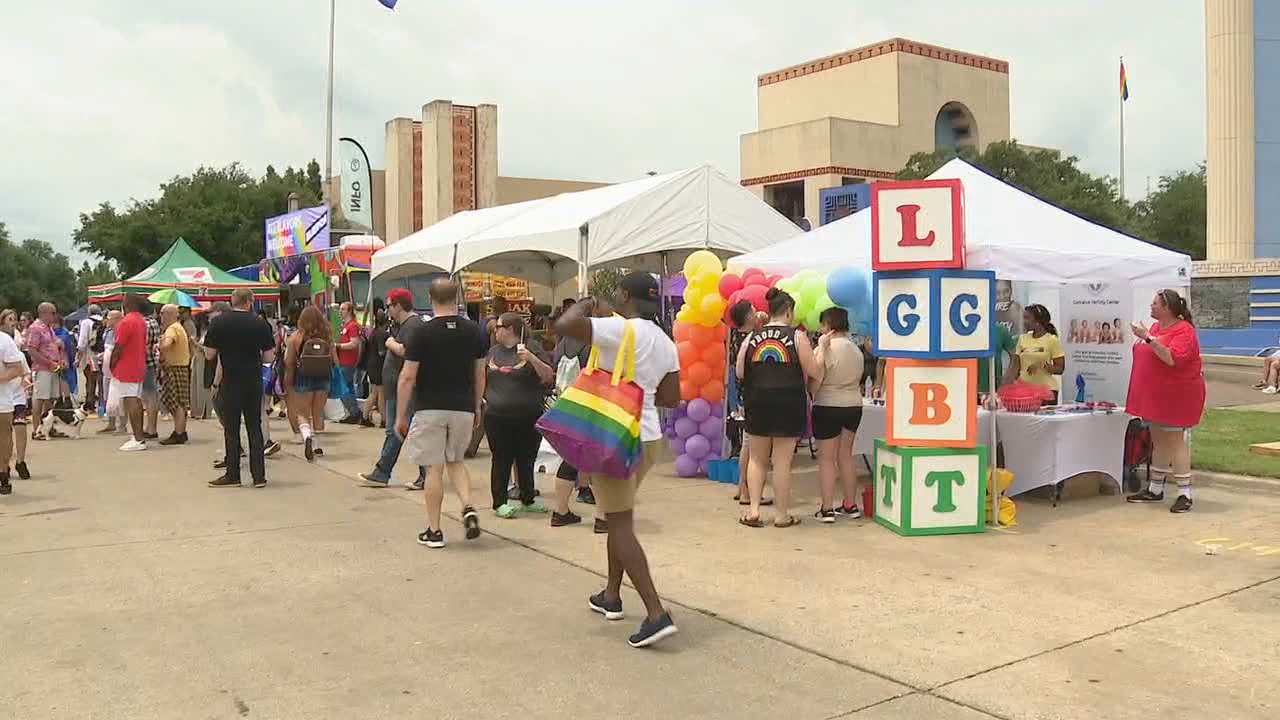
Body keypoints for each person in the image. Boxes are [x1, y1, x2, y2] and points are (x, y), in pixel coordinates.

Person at [555, 272, 681, 648]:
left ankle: (656, 614)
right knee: (616, 514)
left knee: (621, 523)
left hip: (613, 438)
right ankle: (611, 594)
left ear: (625, 296)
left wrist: (589, 304)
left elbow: (564, 325)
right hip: (648, 437)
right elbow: (671, 397)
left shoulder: (617, 329)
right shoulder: (664, 341)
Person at [397, 279, 487, 549]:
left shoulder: (422, 333)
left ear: (431, 298)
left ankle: (434, 530)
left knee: (433, 468)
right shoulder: (474, 331)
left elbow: (408, 376)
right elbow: (479, 372)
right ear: (457, 296)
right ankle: (467, 505)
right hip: (462, 407)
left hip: (430, 406)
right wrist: (476, 405)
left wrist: (401, 415)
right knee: (456, 461)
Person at [736, 288, 817, 529]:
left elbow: (740, 372)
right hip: (788, 403)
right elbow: (813, 370)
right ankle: (782, 515)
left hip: (757, 402)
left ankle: (753, 511)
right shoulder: (797, 337)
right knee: (782, 462)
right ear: (789, 311)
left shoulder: (752, 338)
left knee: (757, 459)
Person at [1125, 290, 1206, 513]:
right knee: (1158, 441)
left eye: (1154, 304)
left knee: (1175, 441)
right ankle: (1155, 488)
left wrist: (1147, 338)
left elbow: (1172, 358)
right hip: (1154, 397)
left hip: (1176, 397)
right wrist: (1148, 336)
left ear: (1167, 308)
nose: (1150, 307)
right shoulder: (1155, 328)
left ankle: (1184, 493)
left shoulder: (1184, 331)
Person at [484, 312, 554, 519]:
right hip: (497, 415)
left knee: (526, 458)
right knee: (501, 458)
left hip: (528, 412)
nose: (495, 330)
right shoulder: (493, 351)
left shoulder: (532, 348)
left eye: (499, 327)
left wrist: (531, 359)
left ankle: (527, 497)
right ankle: (499, 501)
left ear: (511, 329)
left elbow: (548, 376)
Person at [204, 289, 276, 487]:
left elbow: (209, 354)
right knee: (254, 426)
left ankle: (233, 474)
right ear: (250, 302)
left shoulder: (218, 323)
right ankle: (259, 476)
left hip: (230, 379)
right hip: (253, 379)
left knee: (231, 428)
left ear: (232, 301)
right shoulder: (260, 324)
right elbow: (269, 357)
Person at [356, 289, 427, 489]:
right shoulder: (402, 325)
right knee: (402, 430)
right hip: (396, 387)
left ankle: (383, 472)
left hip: (404, 388)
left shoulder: (413, 326)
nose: (386, 310)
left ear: (398, 305)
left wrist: (390, 343)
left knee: (400, 430)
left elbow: (408, 351)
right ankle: (392, 472)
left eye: (389, 305)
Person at [808, 307, 866, 522]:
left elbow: (815, 382)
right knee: (846, 455)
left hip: (828, 404)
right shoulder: (856, 349)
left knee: (826, 458)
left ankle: (826, 508)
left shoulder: (825, 348)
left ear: (828, 325)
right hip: (854, 405)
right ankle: (850, 504)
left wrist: (821, 352)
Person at [549, 298, 600, 527]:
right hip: (592, 406)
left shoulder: (563, 343)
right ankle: (603, 517)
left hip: (568, 405)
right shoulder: (594, 343)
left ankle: (560, 511)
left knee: (570, 459)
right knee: (601, 460)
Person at [284, 305, 335, 463]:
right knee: (318, 413)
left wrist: (288, 382)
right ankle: (318, 446)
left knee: (302, 414)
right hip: (323, 377)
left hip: (303, 377)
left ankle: (306, 437)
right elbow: (334, 360)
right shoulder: (327, 337)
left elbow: (289, 362)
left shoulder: (295, 338)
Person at [110, 295, 150, 452]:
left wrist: (112, 364)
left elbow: (119, 346)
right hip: (138, 365)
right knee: (136, 400)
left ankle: (138, 439)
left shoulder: (126, 322)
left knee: (130, 401)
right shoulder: (141, 320)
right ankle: (138, 436)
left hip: (127, 366)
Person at [23, 302, 64, 441]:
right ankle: (36, 430)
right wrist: (48, 363)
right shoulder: (35, 328)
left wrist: (59, 361)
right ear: (44, 313)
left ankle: (48, 427)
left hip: (53, 368)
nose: (54, 316)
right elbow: (32, 350)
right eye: (52, 313)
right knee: (40, 399)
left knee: (51, 399)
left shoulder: (48, 328)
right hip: (42, 369)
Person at [1008, 304, 1065, 404]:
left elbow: (1060, 369)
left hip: (1046, 392)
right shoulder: (1022, 339)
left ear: (1038, 321)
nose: (1024, 322)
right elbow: (1014, 367)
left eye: (1027, 318)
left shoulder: (1052, 340)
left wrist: (1042, 365)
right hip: (1024, 392)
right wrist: (1005, 387)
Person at [1, 309, 32, 485]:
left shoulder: (19, 355)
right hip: (5, 397)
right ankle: (4, 466)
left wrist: (26, 380)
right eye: (9, 319)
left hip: (17, 396)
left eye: (14, 319)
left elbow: (24, 372)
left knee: (19, 429)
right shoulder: (4, 342)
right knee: (5, 434)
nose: (12, 322)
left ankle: (20, 461)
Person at [157, 303, 191, 445]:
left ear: (170, 314)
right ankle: (181, 431)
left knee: (175, 402)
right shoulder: (179, 327)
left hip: (174, 368)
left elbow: (166, 345)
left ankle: (178, 433)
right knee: (180, 402)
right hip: (181, 367)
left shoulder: (172, 329)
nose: (161, 317)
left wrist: (161, 346)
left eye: (163, 313)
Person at [336, 301, 366, 425]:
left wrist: (338, 346)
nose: (340, 312)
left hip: (348, 362)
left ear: (349, 311)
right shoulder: (345, 326)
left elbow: (354, 343)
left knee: (342, 388)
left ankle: (354, 412)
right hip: (343, 360)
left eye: (343, 309)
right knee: (348, 388)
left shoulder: (352, 326)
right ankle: (353, 412)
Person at [95, 310, 124, 434]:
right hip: (106, 369)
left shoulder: (120, 331)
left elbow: (118, 349)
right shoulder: (107, 331)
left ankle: (122, 425)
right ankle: (111, 423)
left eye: (109, 318)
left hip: (116, 369)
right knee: (108, 396)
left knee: (120, 397)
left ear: (117, 319)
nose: (106, 320)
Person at [363, 299, 389, 428]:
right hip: (379, 366)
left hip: (371, 364)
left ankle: (365, 416)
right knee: (380, 393)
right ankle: (384, 419)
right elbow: (381, 352)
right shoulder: (383, 334)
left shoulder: (373, 332)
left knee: (375, 392)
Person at [140, 302, 162, 440]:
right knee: (150, 396)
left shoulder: (145, 324)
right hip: (152, 362)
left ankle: (151, 428)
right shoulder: (154, 323)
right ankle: (151, 427)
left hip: (145, 362)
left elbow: (143, 343)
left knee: (148, 396)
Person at [76, 307, 102, 412]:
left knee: (90, 379)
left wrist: (78, 356)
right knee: (98, 380)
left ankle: (89, 402)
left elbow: (82, 341)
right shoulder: (103, 321)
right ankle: (101, 403)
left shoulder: (86, 322)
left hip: (89, 354)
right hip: (102, 354)